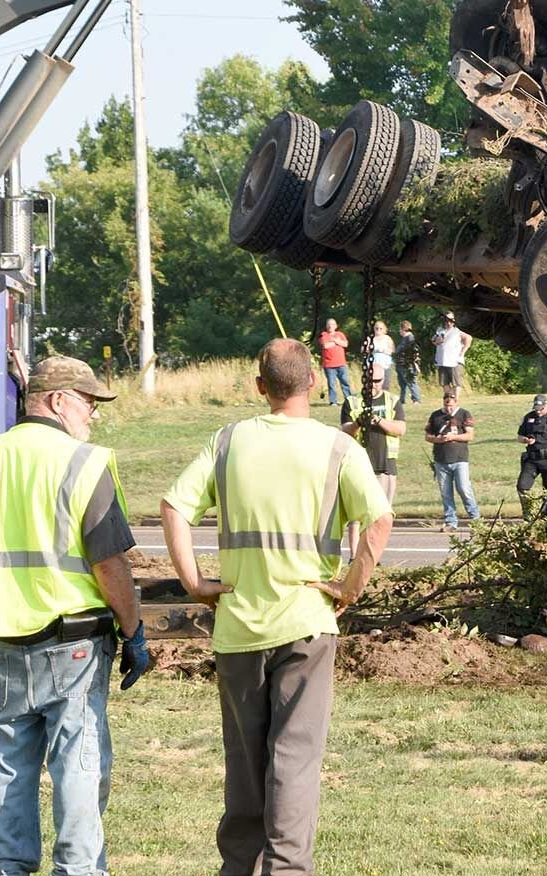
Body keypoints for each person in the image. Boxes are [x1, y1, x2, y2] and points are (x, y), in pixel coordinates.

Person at [161, 338, 392, 876]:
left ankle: (239, 867)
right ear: (313, 382)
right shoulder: (338, 448)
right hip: (307, 624)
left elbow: (174, 505)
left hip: (239, 626)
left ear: (260, 387)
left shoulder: (228, 441)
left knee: (245, 762)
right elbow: (379, 521)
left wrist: (194, 581)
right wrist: (350, 587)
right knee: (295, 760)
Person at [0, 356, 151, 876]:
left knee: (5, 768)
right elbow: (110, 566)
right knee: (79, 764)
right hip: (74, 645)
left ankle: (6, 865)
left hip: (1, 644)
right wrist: (134, 632)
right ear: (58, 401)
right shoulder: (84, 462)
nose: (92, 416)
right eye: (88, 403)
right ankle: (79, 870)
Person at [344, 362, 405, 548]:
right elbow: (344, 431)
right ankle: (354, 555)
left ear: (383, 380)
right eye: (370, 381)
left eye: (377, 381)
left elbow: (400, 428)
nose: (373, 385)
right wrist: (358, 423)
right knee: (357, 514)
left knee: (381, 515)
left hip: (385, 464)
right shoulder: (352, 401)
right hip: (359, 464)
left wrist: (378, 420)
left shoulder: (392, 400)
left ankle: (375, 554)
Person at [424, 388, 481, 533]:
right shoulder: (435, 416)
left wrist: (453, 437)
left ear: (456, 402)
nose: (448, 407)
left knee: (464, 488)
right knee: (446, 492)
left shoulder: (464, 414)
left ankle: (476, 519)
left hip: (460, 459)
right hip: (441, 460)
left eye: (451, 404)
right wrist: (438, 439)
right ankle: (451, 521)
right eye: (446, 404)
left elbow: (469, 435)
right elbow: (427, 436)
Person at [432, 311, 471, 396]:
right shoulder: (440, 330)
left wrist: (462, 352)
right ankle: (449, 398)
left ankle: (455, 400)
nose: (449, 322)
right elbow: (433, 340)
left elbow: (468, 338)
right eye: (447, 320)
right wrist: (437, 341)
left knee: (456, 383)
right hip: (442, 361)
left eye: (451, 320)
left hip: (454, 361)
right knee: (444, 383)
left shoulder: (458, 330)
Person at [318, 317, 351, 405]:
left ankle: (349, 399)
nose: (330, 326)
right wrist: (338, 342)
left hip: (341, 363)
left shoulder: (340, 334)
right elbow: (325, 346)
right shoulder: (324, 335)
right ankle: (333, 401)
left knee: (345, 382)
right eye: (328, 324)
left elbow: (346, 344)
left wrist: (335, 340)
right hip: (329, 365)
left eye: (332, 324)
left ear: (336, 326)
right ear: (326, 326)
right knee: (331, 384)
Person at [394, 319, 422, 404]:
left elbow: (414, 352)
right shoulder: (405, 339)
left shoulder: (410, 339)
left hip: (407, 364)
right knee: (402, 384)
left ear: (403, 329)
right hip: (401, 364)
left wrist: (415, 364)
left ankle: (416, 399)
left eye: (400, 329)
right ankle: (402, 400)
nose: (399, 331)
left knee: (411, 382)